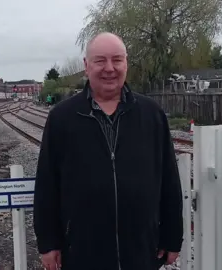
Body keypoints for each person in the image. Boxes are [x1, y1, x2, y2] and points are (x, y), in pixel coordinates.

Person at [33, 32, 183, 270]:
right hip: (83, 251)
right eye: (100, 60)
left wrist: (172, 236)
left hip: (141, 249)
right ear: (86, 65)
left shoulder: (151, 114)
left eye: (117, 60)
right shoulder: (62, 118)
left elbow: (169, 181)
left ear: (126, 63)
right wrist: (48, 242)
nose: (109, 68)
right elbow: (47, 185)